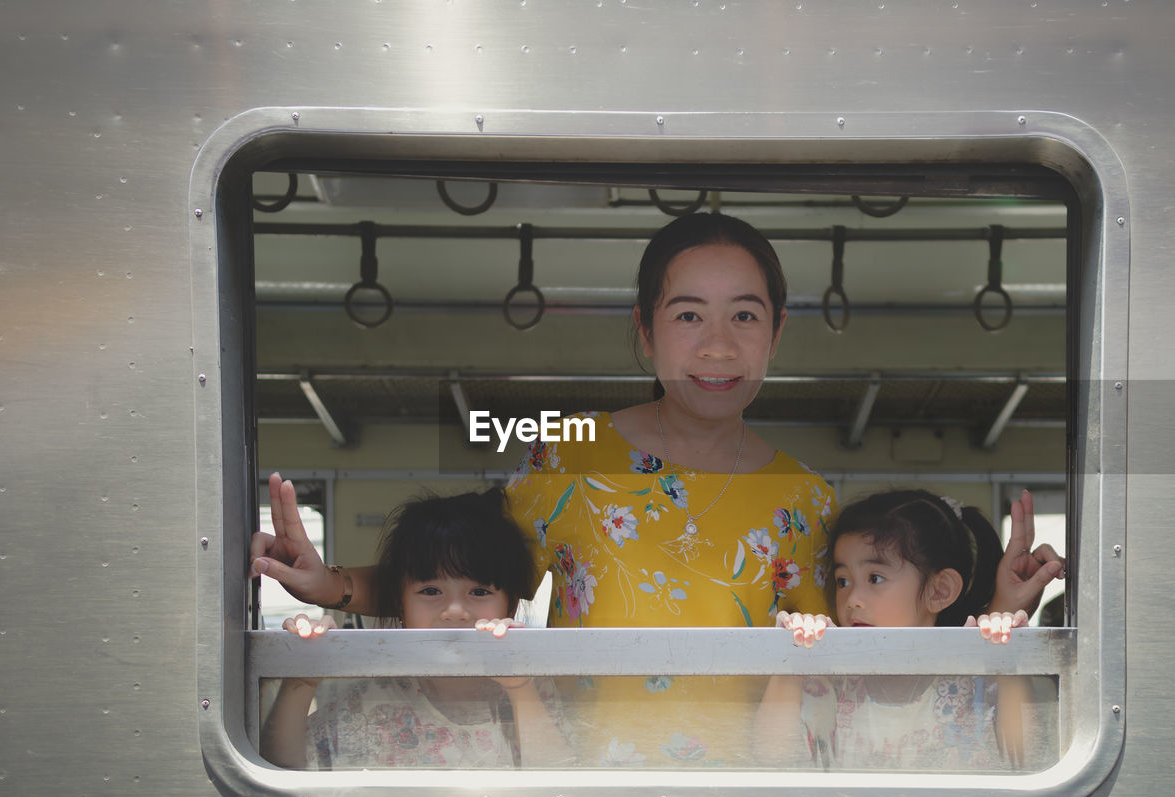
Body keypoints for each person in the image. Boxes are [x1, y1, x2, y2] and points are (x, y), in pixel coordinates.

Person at [251, 213, 1062, 767]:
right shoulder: (563, 449)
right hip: (582, 781)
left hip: (753, 794)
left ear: (777, 332)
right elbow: (459, 566)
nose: (717, 345)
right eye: (687, 316)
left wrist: (996, 612)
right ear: (644, 331)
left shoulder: (808, 495)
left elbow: (866, 649)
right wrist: (333, 585)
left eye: (745, 317)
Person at [259, 489, 574, 770]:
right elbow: (285, 772)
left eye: (479, 592)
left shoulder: (530, 681)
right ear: (399, 604)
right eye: (430, 591)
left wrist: (521, 688)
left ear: (511, 606)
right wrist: (301, 678)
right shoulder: (371, 699)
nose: (454, 611)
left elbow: (560, 784)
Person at [756, 489, 1053, 771]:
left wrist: (1007, 653)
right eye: (843, 581)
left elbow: (1023, 759)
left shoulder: (979, 681)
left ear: (940, 591)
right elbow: (771, 757)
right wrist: (793, 657)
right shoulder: (831, 682)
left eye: (874, 578)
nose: (852, 600)